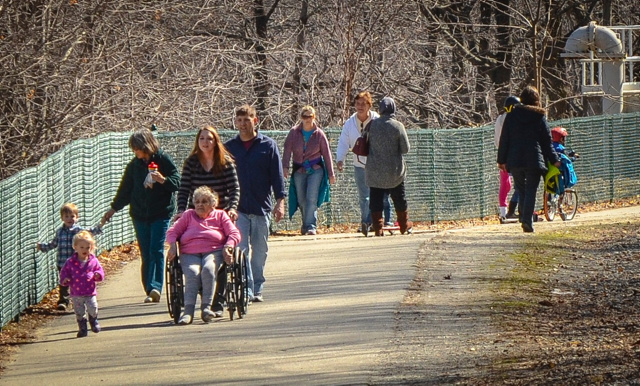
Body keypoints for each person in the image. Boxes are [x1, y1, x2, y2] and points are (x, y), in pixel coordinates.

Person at [101, 129, 180, 303]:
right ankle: (149, 288)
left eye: (138, 148)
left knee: (156, 249)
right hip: (139, 214)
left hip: (161, 213)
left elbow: (177, 182)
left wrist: (162, 180)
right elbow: (125, 190)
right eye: (134, 149)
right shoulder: (134, 166)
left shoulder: (163, 159)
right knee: (145, 251)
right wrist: (113, 209)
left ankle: (156, 287)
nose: (136, 152)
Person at [224, 104, 286, 303]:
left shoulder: (268, 146)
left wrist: (280, 201)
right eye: (239, 120)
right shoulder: (229, 148)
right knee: (241, 250)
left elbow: (277, 177)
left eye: (246, 120)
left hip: (261, 207)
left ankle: (257, 286)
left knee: (260, 251)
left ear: (255, 120)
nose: (242, 124)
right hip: (238, 209)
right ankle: (246, 288)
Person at [166, 186, 240, 324]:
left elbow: (234, 233)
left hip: (213, 251)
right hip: (189, 252)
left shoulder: (220, 215)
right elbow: (172, 232)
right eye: (197, 201)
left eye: (204, 201)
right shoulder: (188, 215)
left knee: (208, 268)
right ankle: (188, 312)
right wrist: (172, 246)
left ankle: (206, 308)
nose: (200, 204)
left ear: (213, 204)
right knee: (193, 272)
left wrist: (229, 246)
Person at [497, 85, 560, 233]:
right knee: (531, 189)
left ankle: (524, 218)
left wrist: (501, 160)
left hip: (515, 159)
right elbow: (546, 141)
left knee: (521, 189)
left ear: (522, 99)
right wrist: (554, 159)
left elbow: (504, 139)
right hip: (534, 159)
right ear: (536, 100)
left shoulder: (511, 116)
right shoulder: (539, 117)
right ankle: (527, 220)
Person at [336, 91, 393, 236]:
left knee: (382, 195)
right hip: (360, 164)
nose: (360, 106)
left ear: (369, 105)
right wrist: (340, 159)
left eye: (363, 104)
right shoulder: (349, 123)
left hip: (378, 164)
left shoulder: (377, 120)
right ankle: (366, 222)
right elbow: (343, 142)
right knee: (364, 196)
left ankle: (387, 221)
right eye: (357, 103)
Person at [37, 203, 103, 311]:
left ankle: (80, 300)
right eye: (66, 216)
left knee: (78, 281)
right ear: (62, 218)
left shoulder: (79, 231)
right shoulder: (59, 232)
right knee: (64, 282)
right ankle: (63, 301)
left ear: (77, 217)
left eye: (72, 216)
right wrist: (42, 247)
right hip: (62, 262)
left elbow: (90, 232)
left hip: (76, 263)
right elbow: (53, 244)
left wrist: (100, 226)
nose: (69, 219)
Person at [282, 105, 336, 235]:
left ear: (314, 117)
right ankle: (305, 224)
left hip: (315, 170)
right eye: (304, 117)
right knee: (301, 199)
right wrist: (285, 167)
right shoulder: (294, 133)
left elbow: (327, 154)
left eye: (310, 116)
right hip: (299, 170)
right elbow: (287, 151)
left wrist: (331, 174)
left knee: (312, 197)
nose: (307, 119)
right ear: (301, 118)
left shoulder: (319, 134)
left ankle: (310, 225)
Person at [365, 97, 412, 236]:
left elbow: (365, 144)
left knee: (376, 199)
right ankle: (403, 225)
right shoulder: (398, 126)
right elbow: (405, 149)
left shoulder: (371, 125)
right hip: (395, 171)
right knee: (399, 198)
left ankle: (378, 227)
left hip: (375, 171)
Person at [174, 126, 240, 221]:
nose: (205, 142)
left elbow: (234, 189)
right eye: (202, 138)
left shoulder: (225, 163)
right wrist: (181, 210)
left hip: (220, 215)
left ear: (215, 142)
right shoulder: (191, 162)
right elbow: (184, 190)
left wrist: (232, 208)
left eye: (209, 139)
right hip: (195, 216)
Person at [59, 231, 104, 337]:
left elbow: (99, 270)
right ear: (75, 247)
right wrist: (65, 279)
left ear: (91, 247)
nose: (85, 250)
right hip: (76, 292)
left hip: (90, 291)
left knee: (93, 307)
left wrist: (98, 274)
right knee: (79, 311)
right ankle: (82, 328)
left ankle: (93, 321)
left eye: (88, 247)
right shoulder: (70, 262)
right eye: (82, 247)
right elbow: (64, 272)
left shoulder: (93, 261)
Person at [494, 96, 521, 220]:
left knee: (506, 184)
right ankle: (518, 209)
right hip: (513, 153)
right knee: (519, 183)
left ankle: (504, 211)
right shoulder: (512, 118)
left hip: (502, 153)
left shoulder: (500, 118)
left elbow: (497, 140)